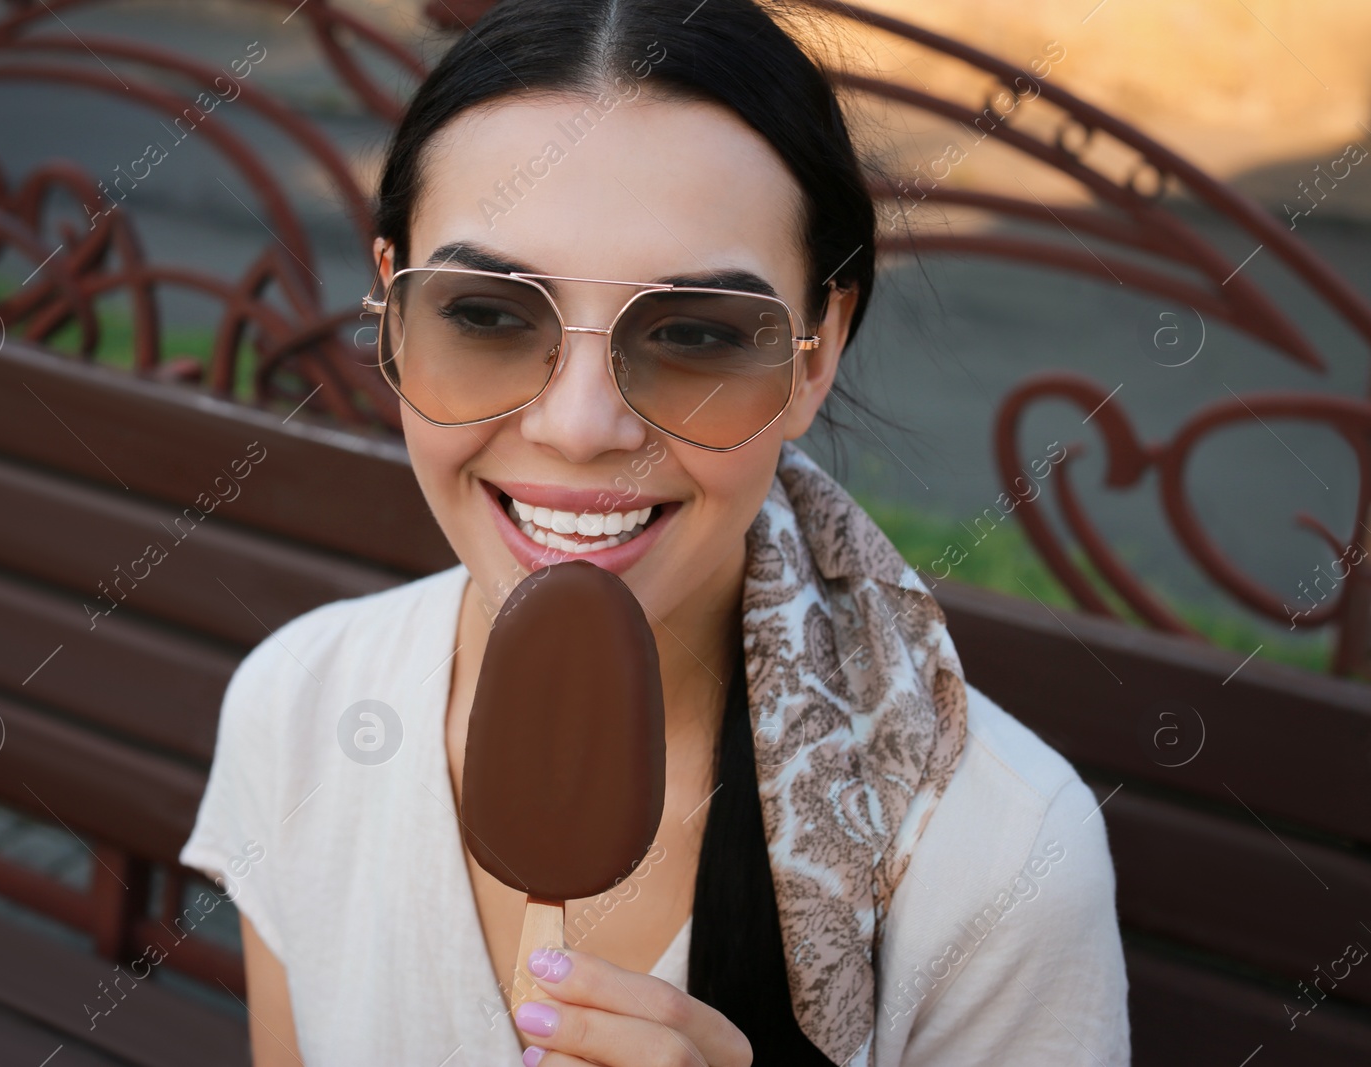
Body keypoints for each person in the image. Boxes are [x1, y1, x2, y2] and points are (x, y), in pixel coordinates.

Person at [179, 0, 1131, 1063]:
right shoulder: (302, 704)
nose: (580, 428)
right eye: (487, 314)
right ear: (392, 307)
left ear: (816, 356)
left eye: (693, 334)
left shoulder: (1000, 861)